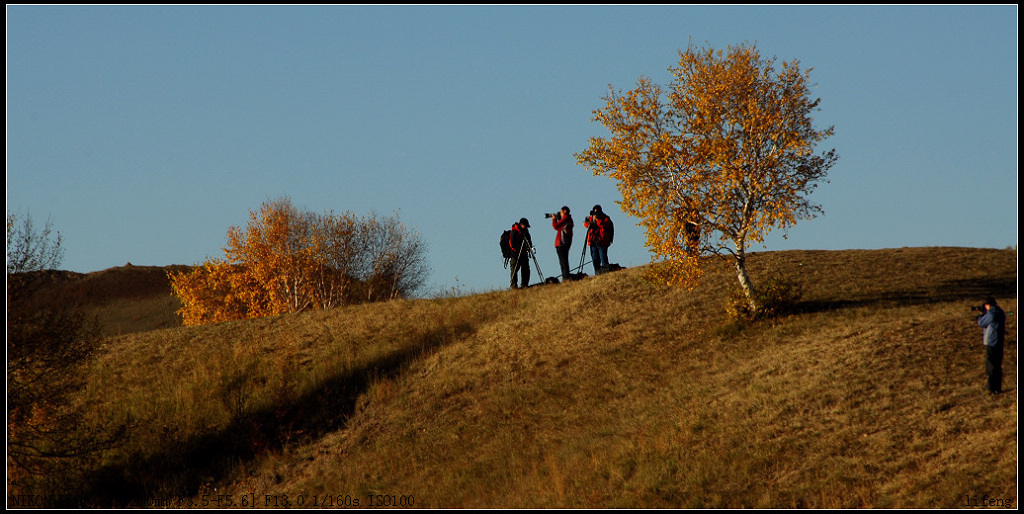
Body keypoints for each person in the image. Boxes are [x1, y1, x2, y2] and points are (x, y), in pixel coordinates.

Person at [976, 296, 1006, 395]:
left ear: (987, 305)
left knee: (990, 365)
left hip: (991, 341)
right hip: (999, 341)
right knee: (997, 365)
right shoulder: (1000, 312)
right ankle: (998, 387)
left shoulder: (991, 313)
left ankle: (990, 387)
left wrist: (981, 315)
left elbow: (981, 323)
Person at [585, 205, 613, 274]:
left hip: (602, 242)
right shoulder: (591, 218)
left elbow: (602, 224)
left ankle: (605, 272)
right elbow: (586, 225)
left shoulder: (605, 218)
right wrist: (590, 221)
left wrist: (596, 221)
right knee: (595, 259)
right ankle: (597, 273)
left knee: (603, 258)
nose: (595, 215)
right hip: (593, 241)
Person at [508, 218, 533, 289]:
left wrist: (529, 247)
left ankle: (524, 284)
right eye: (525, 226)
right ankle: (513, 286)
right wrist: (519, 250)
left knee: (526, 269)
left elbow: (529, 240)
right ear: (521, 225)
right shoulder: (515, 231)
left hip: (524, 254)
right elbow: (512, 244)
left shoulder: (525, 232)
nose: (526, 227)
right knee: (514, 270)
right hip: (515, 254)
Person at [551, 206, 574, 282]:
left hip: (562, 244)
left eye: (561, 212)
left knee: (563, 263)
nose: (560, 213)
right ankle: (565, 278)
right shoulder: (568, 220)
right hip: (565, 244)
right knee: (564, 263)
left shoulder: (566, 219)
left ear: (564, 211)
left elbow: (555, 226)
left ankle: (566, 278)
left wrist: (554, 219)